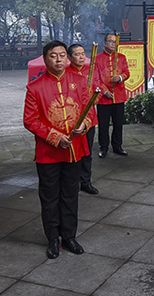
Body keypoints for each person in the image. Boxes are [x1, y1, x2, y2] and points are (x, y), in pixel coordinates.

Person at [23, 41, 93, 259]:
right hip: (49, 154)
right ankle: (53, 238)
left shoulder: (80, 82)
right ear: (45, 59)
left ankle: (69, 236)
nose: (59, 59)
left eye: (63, 55)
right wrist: (54, 137)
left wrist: (85, 124)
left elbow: (90, 111)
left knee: (70, 195)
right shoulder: (35, 87)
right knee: (50, 197)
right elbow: (30, 120)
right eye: (54, 56)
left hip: (74, 150)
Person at [66, 43, 99, 195]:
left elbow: (98, 87)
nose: (81, 56)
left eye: (83, 53)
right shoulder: (65, 73)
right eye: (77, 54)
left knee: (87, 152)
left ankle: (86, 182)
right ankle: (71, 182)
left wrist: (95, 95)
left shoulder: (90, 70)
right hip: (71, 118)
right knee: (72, 152)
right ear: (69, 57)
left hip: (89, 118)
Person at [94, 33, 130, 158]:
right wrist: (104, 91)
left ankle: (117, 146)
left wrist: (120, 77)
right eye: (110, 41)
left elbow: (127, 73)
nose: (113, 44)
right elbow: (95, 78)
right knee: (103, 125)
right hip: (103, 98)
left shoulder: (121, 57)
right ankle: (103, 147)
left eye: (115, 42)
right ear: (104, 43)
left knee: (118, 123)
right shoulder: (97, 59)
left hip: (119, 96)